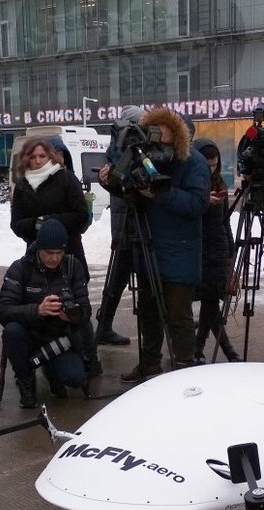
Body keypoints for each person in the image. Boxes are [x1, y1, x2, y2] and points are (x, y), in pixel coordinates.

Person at [109, 107, 209, 382]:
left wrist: (159, 194)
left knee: (179, 315)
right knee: (148, 313)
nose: (157, 136)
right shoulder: (144, 156)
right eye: (152, 130)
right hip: (149, 247)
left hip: (180, 250)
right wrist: (115, 180)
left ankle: (184, 367)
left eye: (163, 130)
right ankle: (150, 365)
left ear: (176, 133)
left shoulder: (193, 162)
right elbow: (129, 187)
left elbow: (198, 204)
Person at [0, 219, 91, 407]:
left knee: (75, 378)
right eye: (49, 253)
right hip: (29, 335)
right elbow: (3, 310)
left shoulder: (73, 267)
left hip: (58, 337)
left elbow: (85, 310)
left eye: (59, 253)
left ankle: (51, 368)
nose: (54, 258)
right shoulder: (20, 268)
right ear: (39, 248)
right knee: (12, 331)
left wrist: (71, 315)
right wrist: (37, 310)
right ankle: (25, 378)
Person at [94, 105, 146, 347]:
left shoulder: (137, 146)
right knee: (119, 274)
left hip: (137, 217)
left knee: (141, 273)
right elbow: (115, 180)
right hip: (125, 219)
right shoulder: (118, 147)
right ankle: (103, 325)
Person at [192, 139, 239, 364]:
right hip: (197, 247)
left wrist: (231, 252)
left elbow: (225, 222)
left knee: (210, 302)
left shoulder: (219, 182)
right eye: (207, 165)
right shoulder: (192, 183)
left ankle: (197, 348)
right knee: (209, 303)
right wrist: (202, 202)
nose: (211, 169)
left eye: (214, 165)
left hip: (217, 248)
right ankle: (229, 352)